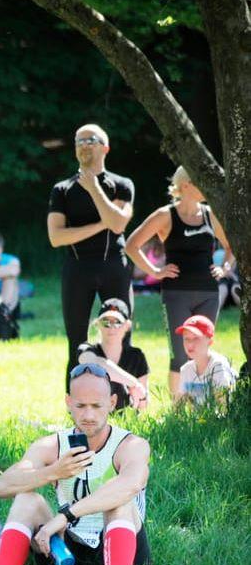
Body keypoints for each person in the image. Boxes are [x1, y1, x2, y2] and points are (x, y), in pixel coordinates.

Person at [0, 364, 150, 565]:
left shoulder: (131, 445)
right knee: (27, 499)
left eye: (97, 405)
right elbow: (1, 486)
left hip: (123, 547)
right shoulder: (52, 444)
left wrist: (65, 516)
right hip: (67, 551)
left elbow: (131, 484)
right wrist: (53, 471)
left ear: (113, 403)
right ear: (68, 403)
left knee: (119, 502)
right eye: (80, 406)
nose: (89, 415)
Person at [123, 166, 236, 398]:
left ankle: (201, 404)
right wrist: (155, 270)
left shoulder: (209, 214)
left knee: (202, 352)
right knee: (180, 355)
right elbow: (131, 246)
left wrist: (224, 269)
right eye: (199, 182)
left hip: (208, 293)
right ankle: (178, 411)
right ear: (185, 185)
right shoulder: (165, 215)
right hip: (176, 294)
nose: (206, 187)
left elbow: (231, 246)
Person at [48, 124, 136, 384]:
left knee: (119, 334)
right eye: (79, 141)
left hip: (113, 267)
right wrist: (101, 224)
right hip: (77, 269)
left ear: (105, 148)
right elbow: (56, 237)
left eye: (91, 140)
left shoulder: (121, 185)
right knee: (76, 339)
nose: (84, 144)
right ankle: (77, 403)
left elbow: (118, 224)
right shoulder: (62, 189)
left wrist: (94, 188)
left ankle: (122, 401)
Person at [75, 299, 149, 411]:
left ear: (127, 326)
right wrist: (134, 383)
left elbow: (143, 404)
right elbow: (98, 365)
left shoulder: (136, 356)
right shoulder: (86, 349)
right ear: (98, 324)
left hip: (127, 422)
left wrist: (142, 395)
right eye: (106, 322)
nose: (111, 327)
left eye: (117, 322)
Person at [174, 314, 238, 408]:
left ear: (210, 342)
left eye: (196, 338)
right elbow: (177, 408)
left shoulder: (218, 366)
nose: (190, 344)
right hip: (198, 421)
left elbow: (223, 407)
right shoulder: (186, 370)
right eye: (186, 339)